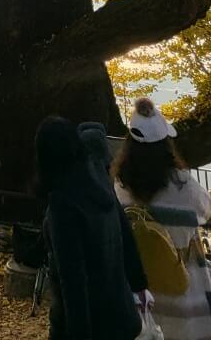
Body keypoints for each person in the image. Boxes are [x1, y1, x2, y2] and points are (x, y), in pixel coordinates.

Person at [114, 98, 211, 340]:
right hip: (181, 282)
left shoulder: (121, 184)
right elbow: (205, 212)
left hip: (139, 282)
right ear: (166, 145)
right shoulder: (183, 185)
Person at [36, 117, 147, 340]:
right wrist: (139, 285)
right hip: (121, 315)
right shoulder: (101, 184)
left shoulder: (63, 202)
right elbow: (126, 236)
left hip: (91, 325)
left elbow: (73, 280)